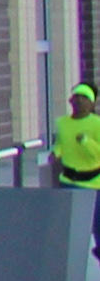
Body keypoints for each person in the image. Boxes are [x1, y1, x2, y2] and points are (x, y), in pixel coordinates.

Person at [59, 83, 100, 257]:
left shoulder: (97, 124)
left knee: (97, 225)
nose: (79, 101)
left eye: (84, 98)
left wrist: (85, 142)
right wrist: (55, 153)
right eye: (76, 97)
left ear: (92, 104)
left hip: (93, 183)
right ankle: (71, 259)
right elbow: (61, 144)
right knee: (71, 225)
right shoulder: (62, 123)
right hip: (69, 181)